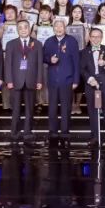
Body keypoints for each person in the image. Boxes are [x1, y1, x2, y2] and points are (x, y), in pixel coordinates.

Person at [4, 20, 44, 146]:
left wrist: (39, 80)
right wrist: (9, 80)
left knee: (29, 109)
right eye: (20, 28)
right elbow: (8, 64)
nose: (23, 30)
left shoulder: (37, 44)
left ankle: (27, 132)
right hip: (15, 81)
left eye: (25, 27)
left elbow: (40, 64)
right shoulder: (11, 44)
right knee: (15, 108)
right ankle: (14, 132)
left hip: (31, 80)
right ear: (17, 30)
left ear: (29, 29)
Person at [43, 18, 80, 146]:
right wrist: (49, 60)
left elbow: (76, 61)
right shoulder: (49, 41)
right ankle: (52, 132)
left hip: (67, 79)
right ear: (53, 28)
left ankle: (65, 132)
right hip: (53, 79)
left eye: (61, 26)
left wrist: (76, 80)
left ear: (65, 28)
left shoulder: (72, 41)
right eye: (56, 26)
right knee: (52, 107)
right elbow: (43, 57)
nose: (58, 29)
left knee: (66, 108)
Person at [81, 27, 105, 146]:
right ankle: (95, 136)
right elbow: (82, 69)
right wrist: (90, 79)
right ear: (89, 38)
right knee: (92, 111)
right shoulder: (84, 52)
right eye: (93, 37)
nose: (95, 39)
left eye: (98, 37)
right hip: (91, 84)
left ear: (102, 38)